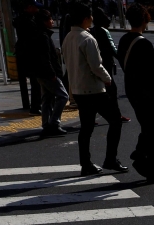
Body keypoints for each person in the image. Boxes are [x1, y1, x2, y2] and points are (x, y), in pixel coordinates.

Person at [61, 3, 126, 177]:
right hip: (93, 89)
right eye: (90, 16)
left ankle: (86, 163)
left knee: (86, 128)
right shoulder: (87, 38)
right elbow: (96, 66)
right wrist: (108, 78)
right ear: (84, 19)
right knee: (115, 121)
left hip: (78, 89)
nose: (92, 19)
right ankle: (110, 159)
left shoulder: (68, 37)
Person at [118, 3, 154, 182]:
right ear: (145, 19)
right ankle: (153, 169)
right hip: (147, 92)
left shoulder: (124, 40)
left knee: (147, 126)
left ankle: (141, 154)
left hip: (132, 89)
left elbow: (126, 63)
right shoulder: (144, 43)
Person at [31, 9, 68, 136]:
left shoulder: (38, 34)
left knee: (47, 98)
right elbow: (46, 58)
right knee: (63, 96)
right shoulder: (43, 36)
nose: (52, 21)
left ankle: (46, 124)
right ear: (44, 22)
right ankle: (54, 123)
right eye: (50, 19)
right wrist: (52, 73)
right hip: (48, 73)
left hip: (40, 73)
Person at [13, 0, 42, 115]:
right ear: (29, 7)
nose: (37, 10)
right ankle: (35, 107)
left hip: (23, 54)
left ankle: (34, 105)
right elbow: (34, 38)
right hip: (30, 55)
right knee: (36, 82)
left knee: (34, 81)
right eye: (35, 7)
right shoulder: (29, 21)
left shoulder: (21, 19)